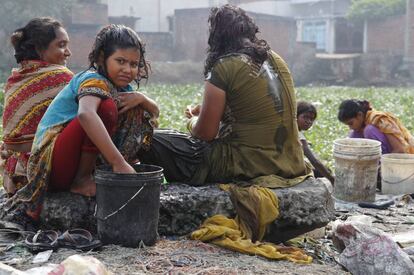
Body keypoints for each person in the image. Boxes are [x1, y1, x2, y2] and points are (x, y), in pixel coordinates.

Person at [140, 5, 311, 186]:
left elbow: (205, 134)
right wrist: (208, 110)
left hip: (247, 165)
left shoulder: (225, 65)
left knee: (151, 139)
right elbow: (251, 107)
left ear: (217, 37)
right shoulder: (276, 59)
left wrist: (192, 120)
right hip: (291, 163)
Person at [6, 25, 159, 223]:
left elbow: (154, 111)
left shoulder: (124, 88)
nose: (127, 69)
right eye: (120, 61)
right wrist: (117, 163)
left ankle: (108, 170)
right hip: (52, 166)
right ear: (102, 59)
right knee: (106, 108)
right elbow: (86, 115)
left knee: (135, 106)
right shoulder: (92, 79)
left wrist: (142, 98)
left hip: (72, 162)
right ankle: (82, 180)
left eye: (134, 64)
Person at [1, 17, 73, 196]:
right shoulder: (62, 77)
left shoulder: (15, 79)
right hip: (43, 171)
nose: (68, 52)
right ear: (40, 49)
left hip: (14, 176)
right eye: (61, 45)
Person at [338, 99, 414, 154]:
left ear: (359, 115)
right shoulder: (361, 126)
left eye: (351, 123)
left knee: (369, 130)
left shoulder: (380, 120)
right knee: (354, 136)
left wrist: (383, 165)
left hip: (401, 158)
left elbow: (400, 149)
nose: (350, 127)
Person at [296, 101, 334, 184]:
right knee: (323, 171)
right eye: (305, 117)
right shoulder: (297, 134)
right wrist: (331, 179)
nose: (308, 121)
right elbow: (314, 161)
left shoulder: (294, 131)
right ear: (296, 116)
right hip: (289, 170)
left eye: (311, 119)